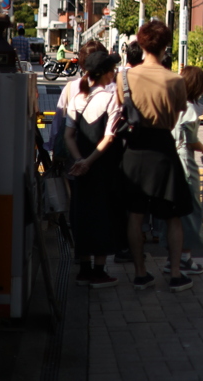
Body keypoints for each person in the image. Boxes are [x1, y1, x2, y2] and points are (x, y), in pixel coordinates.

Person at [115, 20, 195, 293]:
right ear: (165, 46)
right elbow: (174, 119)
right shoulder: (174, 80)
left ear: (141, 43)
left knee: (135, 215)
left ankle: (140, 273)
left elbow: (120, 110)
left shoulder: (123, 77)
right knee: (173, 215)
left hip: (134, 149)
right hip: (162, 148)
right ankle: (175, 274)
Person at [65, 51, 124, 288]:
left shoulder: (77, 98)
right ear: (107, 73)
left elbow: (68, 135)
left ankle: (84, 270)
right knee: (103, 215)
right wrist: (90, 161)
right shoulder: (111, 99)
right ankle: (100, 272)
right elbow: (109, 137)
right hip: (103, 167)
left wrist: (79, 160)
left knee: (82, 214)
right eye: (113, 70)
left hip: (80, 168)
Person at [164, 66, 203, 276]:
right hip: (185, 163)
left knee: (172, 211)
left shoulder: (170, 104)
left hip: (168, 161)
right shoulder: (190, 109)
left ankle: (171, 258)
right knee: (190, 211)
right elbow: (191, 142)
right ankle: (185, 258)